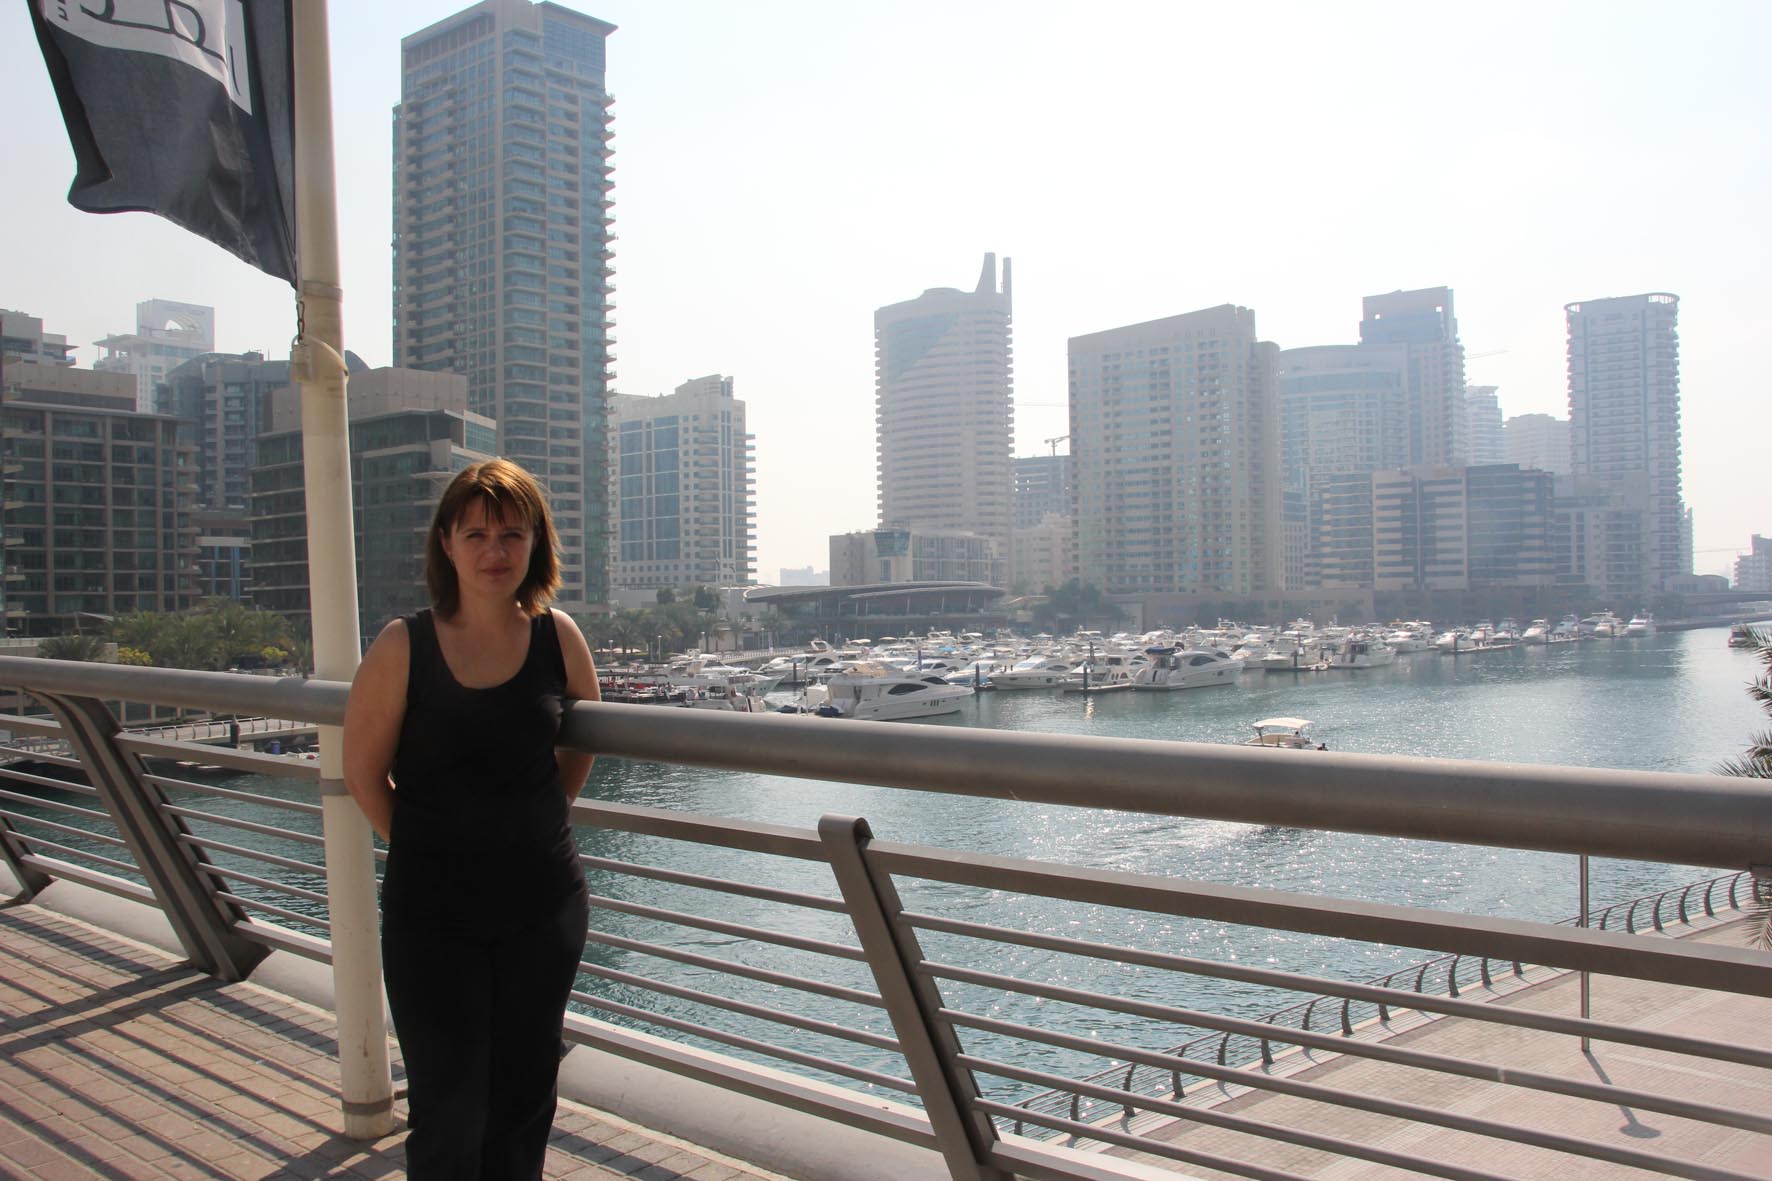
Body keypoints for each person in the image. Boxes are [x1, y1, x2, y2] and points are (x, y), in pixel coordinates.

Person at [342, 458, 600, 1179]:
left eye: (512, 534)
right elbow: (363, 774)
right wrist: (430, 845)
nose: (496, 551)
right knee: (448, 1111)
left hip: (541, 907)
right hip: (434, 914)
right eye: (477, 534)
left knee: (523, 1102)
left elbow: (581, 745)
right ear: (446, 544)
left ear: (536, 544)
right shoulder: (404, 645)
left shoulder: (558, 636)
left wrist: (537, 822)